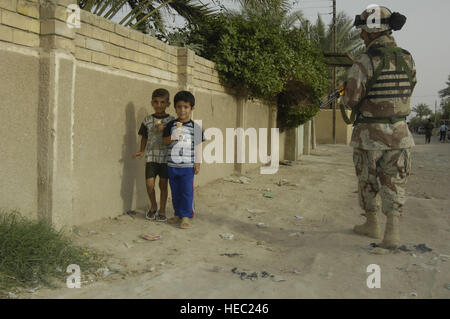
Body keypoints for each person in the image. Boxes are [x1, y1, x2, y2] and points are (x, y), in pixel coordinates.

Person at [342, 6, 416, 249]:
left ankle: (372, 224)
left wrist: (346, 93)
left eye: (363, 31)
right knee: (394, 181)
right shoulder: (407, 58)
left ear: (373, 31)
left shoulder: (364, 60)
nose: (361, 36)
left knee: (368, 180)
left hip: (370, 137)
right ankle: (392, 234)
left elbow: (351, 99)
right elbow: (410, 87)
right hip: (400, 135)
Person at [163, 91, 205, 229]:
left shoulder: (196, 128)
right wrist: (172, 137)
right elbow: (164, 141)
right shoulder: (171, 125)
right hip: (172, 165)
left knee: (186, 191)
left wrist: (197, 163)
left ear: (192, 108)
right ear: (175, 108)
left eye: (186, 107)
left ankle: (186, 216)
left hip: (187, 166)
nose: (182, 110)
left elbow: (198, 146)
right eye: (179, 107)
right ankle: (177, 214)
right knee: (175, 191)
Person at [133, 88, 175, 221]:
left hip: (165, 158)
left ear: (168, 104)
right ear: (152, 103)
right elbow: (144, 137)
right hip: (151, 157)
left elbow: (174, 137)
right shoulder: (147, 120)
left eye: (162, 102)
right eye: (156, 102)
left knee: (163, 185)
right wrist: (141, 150)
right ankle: (153, 206)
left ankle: (162, 210)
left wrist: (165, 130)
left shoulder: (171, 121)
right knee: (150, 184)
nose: (159, 105)